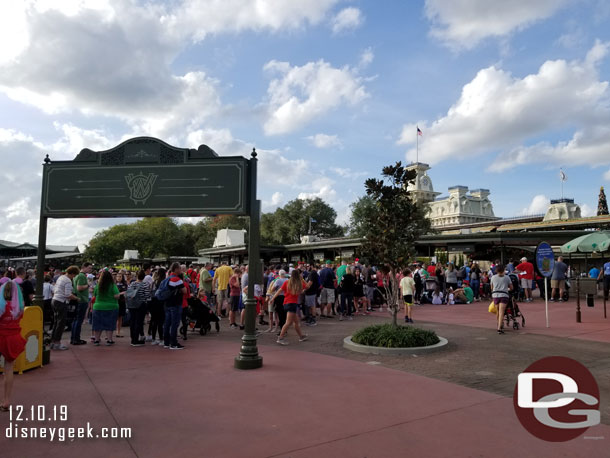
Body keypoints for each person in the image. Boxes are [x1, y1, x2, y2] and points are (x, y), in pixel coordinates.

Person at [0, 281, 26, 411]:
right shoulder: (19, 306)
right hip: (13, 338)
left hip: (1, 335)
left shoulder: (1, 305)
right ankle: (6, 401)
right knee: (8, 369)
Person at [271, 270, 308, 345]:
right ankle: (280, 338)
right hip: (292, 304)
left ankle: (301, 336)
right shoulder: (299, 283)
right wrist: (302, 279)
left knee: (296, 321)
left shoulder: (287, 282)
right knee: (288, 322)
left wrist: (272, 298)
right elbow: (307, 286)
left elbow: (279, 291)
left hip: (286, 303)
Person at [50, 266, 79, 350]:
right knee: (61, 323)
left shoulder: (61, 277)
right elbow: (68, 294)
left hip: (55, 300)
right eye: (74, 275)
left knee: (56, 322)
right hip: (61, 302)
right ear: (72, 273)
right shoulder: (68, 280)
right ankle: (57, 343)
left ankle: (53, 341)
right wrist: (77, 298)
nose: (74, 277)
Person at [92, 270, 120, 346]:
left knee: (97, 325)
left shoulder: (98, 285)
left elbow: (94, 295)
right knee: (110, 324)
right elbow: (117, 296)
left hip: (98, 307)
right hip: (111, 307)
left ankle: (97, 340)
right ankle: (109, 340)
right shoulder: (112, 285)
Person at [163, 262, 187, 350]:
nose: (181, 270)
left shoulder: (168, 278)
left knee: (167, 323)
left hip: (167, 303)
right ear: (176, 269)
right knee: (174, 323)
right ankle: (173, 343)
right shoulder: (177, 279)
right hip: (176, 304)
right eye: (180, 268)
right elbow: (184, 291)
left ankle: (166, 342)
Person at [127, 270, 152, 347]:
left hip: (132, 305)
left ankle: (132, 338)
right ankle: (135, 339)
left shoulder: (132, 284)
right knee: (139, 322)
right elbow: (147, 296)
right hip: (141, 305)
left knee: (132, 321)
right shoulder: (145, 284)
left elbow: (129, 293)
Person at [70, 262, 92, 346]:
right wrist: (88, 285)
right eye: (89, 268)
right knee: (79, 320)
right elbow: (79, 288)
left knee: (76, 320)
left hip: (78, 299)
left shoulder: (77, 276)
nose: (90, 270)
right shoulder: (82, 276)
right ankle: (76, 338)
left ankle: (74, 338)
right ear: (84, 267)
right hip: (82, 299)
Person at [491, 264, 513, 334]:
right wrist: (507, 289)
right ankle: (499, 328)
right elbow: (511, 288)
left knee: (498, 311)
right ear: (503, 270)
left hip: (495, 295)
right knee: (501, 312)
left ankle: (499, 324)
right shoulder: (507, 277)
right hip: (504, 295)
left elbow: (491, 288)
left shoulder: (493, 277)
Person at [148, 268, 165, 345]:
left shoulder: (154, 282)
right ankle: (161, 338)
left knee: (154, 321)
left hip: (153, 302)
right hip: (161, 303)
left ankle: (154, 339)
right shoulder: (164, 282)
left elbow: (150, 292)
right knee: (161, 322)